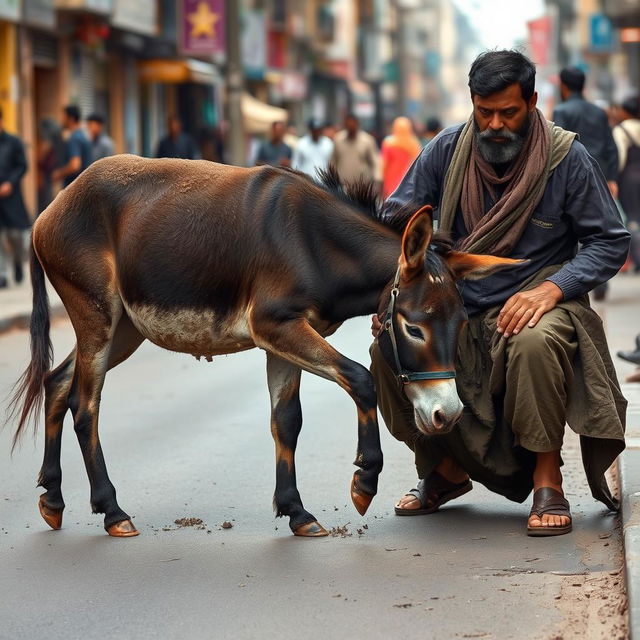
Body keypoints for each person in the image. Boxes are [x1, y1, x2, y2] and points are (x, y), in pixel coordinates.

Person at [374, 50, 629, 537]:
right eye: (483, 111)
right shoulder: (445, 150)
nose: (494, 124)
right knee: (389, 345)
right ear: (471, 103)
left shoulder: (566, 158)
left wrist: (554, 288)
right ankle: (444, 471)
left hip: (540, 297)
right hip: (458, 304)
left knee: (535, 340)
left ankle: (547, 478)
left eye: (508, 112)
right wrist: (395, 293)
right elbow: (393, 224)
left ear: (532, 102)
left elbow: (609, 240)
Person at [553, 68, 619, 301]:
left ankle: (580, 280)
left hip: (573, 179)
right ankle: (599, 281)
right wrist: (611, 178)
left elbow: (558, 148)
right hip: (598, 175)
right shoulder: (598, 113)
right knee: (599, 229)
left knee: (575, 229)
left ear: (563, 86)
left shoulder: (561, 110)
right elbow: (610, 147)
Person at [0, 107, 30, 288]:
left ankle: (18, 262)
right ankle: (2, 274)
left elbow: (23, 165)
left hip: (12, 197)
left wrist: (10, 183)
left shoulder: (14, 142)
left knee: (15, 235)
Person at [613, 95, 640, 272]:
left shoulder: (621, 130)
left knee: (632, 218)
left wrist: (614, 178)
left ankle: (638, 259)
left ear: (625, 112)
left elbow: (620, 157)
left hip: (629, 178)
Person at [330, 113, 382, 188]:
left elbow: (375, 161)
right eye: (348, 124)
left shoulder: (367, 140)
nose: (351, 126)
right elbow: (333, 161)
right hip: (343, 185)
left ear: (357, 124)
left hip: (362, 186)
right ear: (345, 125)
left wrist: (377, 179)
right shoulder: (338, 139)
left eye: (353, 124)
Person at [380, 116, 422, 199]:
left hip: (390, 181)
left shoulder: (388, 142)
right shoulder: (414, 143)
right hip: (408, 182)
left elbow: (383, 164)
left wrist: (380, 179)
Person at [51, 105, 92, 188]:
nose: (61, 120)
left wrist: (59, 174)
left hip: (74, 187)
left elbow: (74, 165)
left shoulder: (74, 138)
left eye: (64, 117)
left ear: (71, 119)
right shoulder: (82, 135)